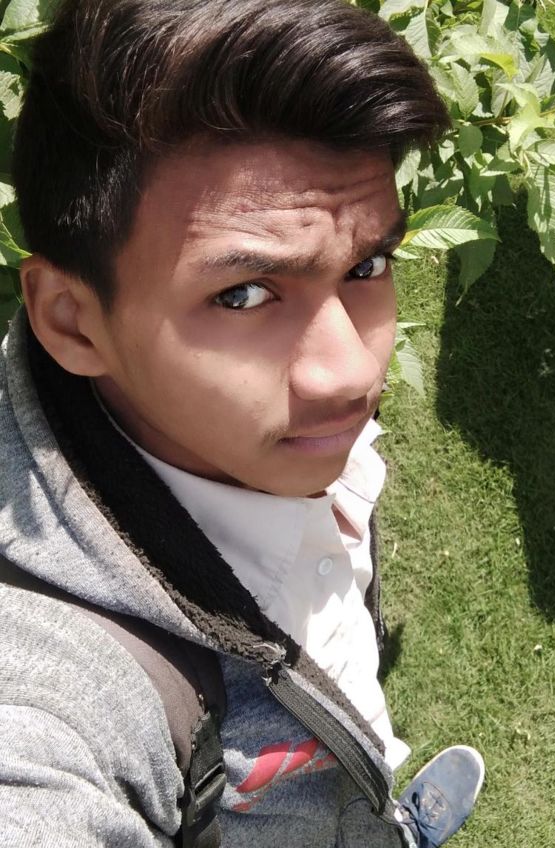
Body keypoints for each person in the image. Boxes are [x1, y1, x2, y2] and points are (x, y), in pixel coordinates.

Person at [0, 0, 485, 845]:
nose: (351, 371)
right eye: (243, 294)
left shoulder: (263, 430)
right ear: (73, 322)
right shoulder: (53, 705)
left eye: (368, 264)